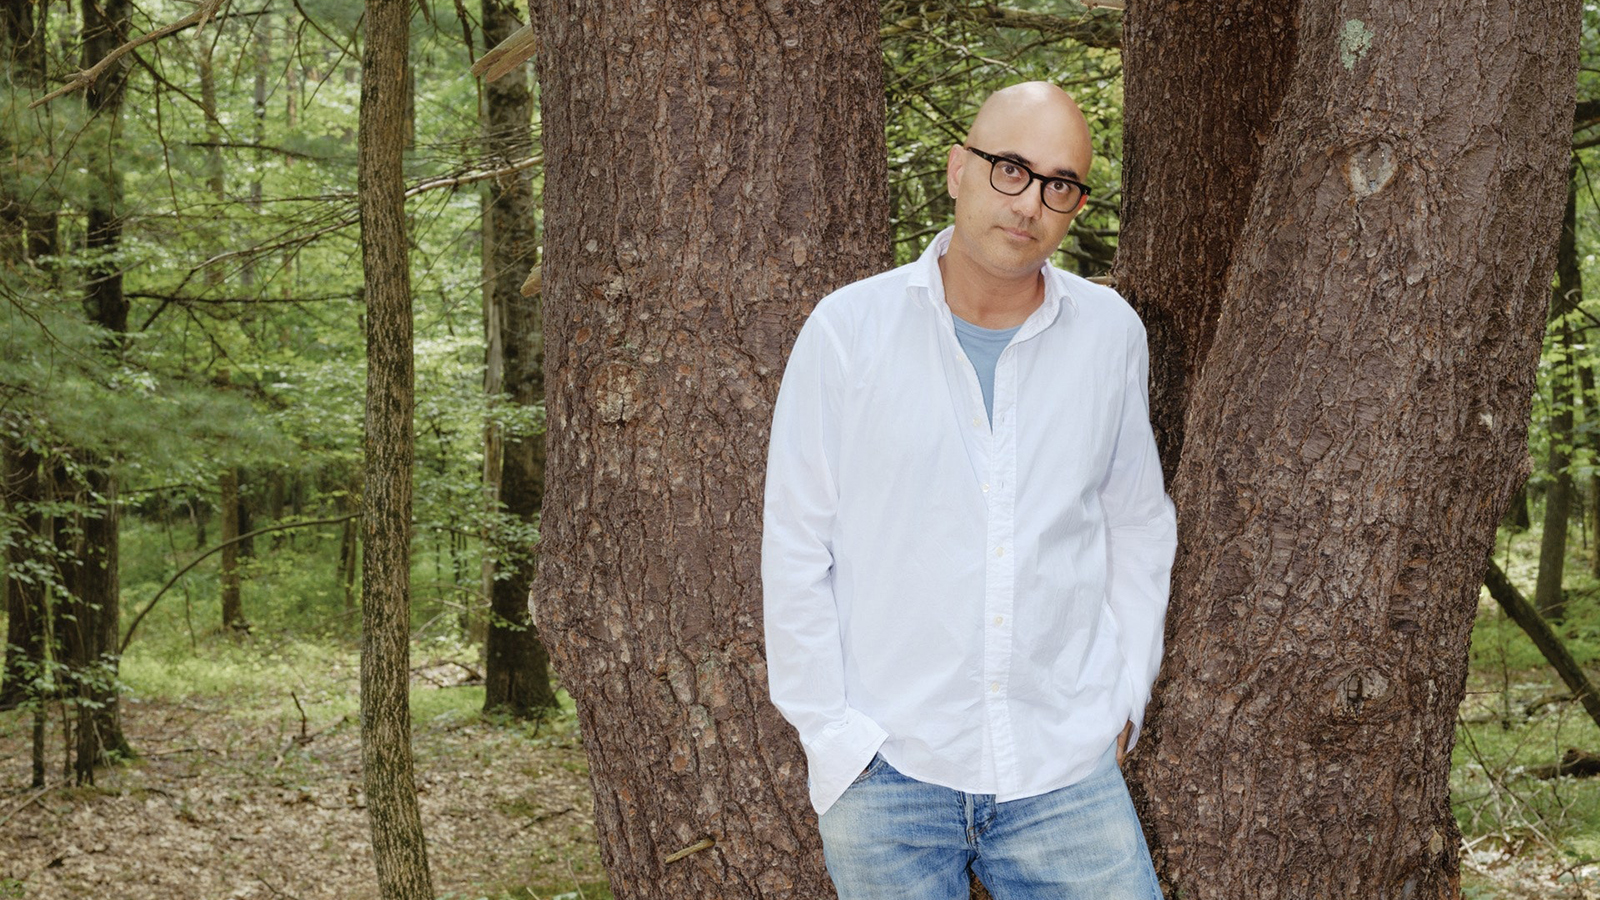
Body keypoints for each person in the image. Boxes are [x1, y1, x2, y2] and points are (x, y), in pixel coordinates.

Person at [760, 81, 1177, 899]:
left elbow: (1135, 521)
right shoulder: (849, 332)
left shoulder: (1110, 335)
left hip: (1063, 766)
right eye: (1010, 169)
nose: (1030, 203)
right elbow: (796, 544)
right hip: (889, 771)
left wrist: (1127, 690)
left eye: (1060, 184)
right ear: (959, 170)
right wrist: (835, 736)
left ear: (1075, 207)